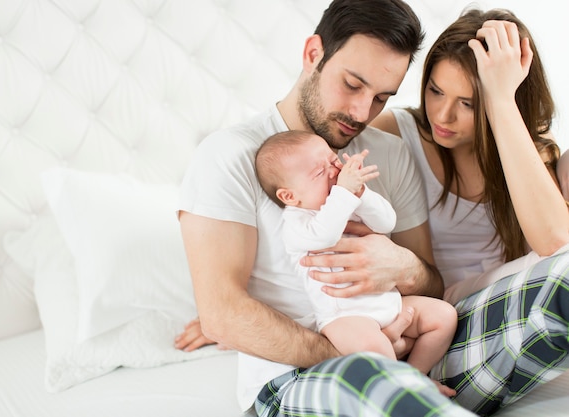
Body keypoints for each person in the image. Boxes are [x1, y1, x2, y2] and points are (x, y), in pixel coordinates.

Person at [177, 1, 569, 416]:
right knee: (385, 388)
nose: (362, 112)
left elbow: (432, 283)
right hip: (301, 375)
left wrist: (402, 266)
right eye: (352, 84)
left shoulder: (388, 151)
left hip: (414, 350)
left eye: (382, 97)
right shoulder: (231, 155)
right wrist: (365, 356)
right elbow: (222, 313)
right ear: (313, 54)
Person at [367, 7, 569, 414]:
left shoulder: (530, 150)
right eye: (436, 91)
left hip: (504, 311)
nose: (442, 116)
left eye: (468, 103)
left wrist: (499, 98)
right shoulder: (397, 132)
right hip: (432, 325)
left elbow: (553, 243)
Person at [255, 130, 457, 395]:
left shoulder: (346, 200)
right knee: (377, 350)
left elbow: (386, 222)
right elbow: (324, 233)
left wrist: (362, 193)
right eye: (319, 172)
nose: (333, 172)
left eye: (332, 161)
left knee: (444, 316)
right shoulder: (297, 223)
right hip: (345, 318)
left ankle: (417, 377)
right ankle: (407, 391)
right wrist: (344, 191)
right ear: (290, 196)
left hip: (388, 303)